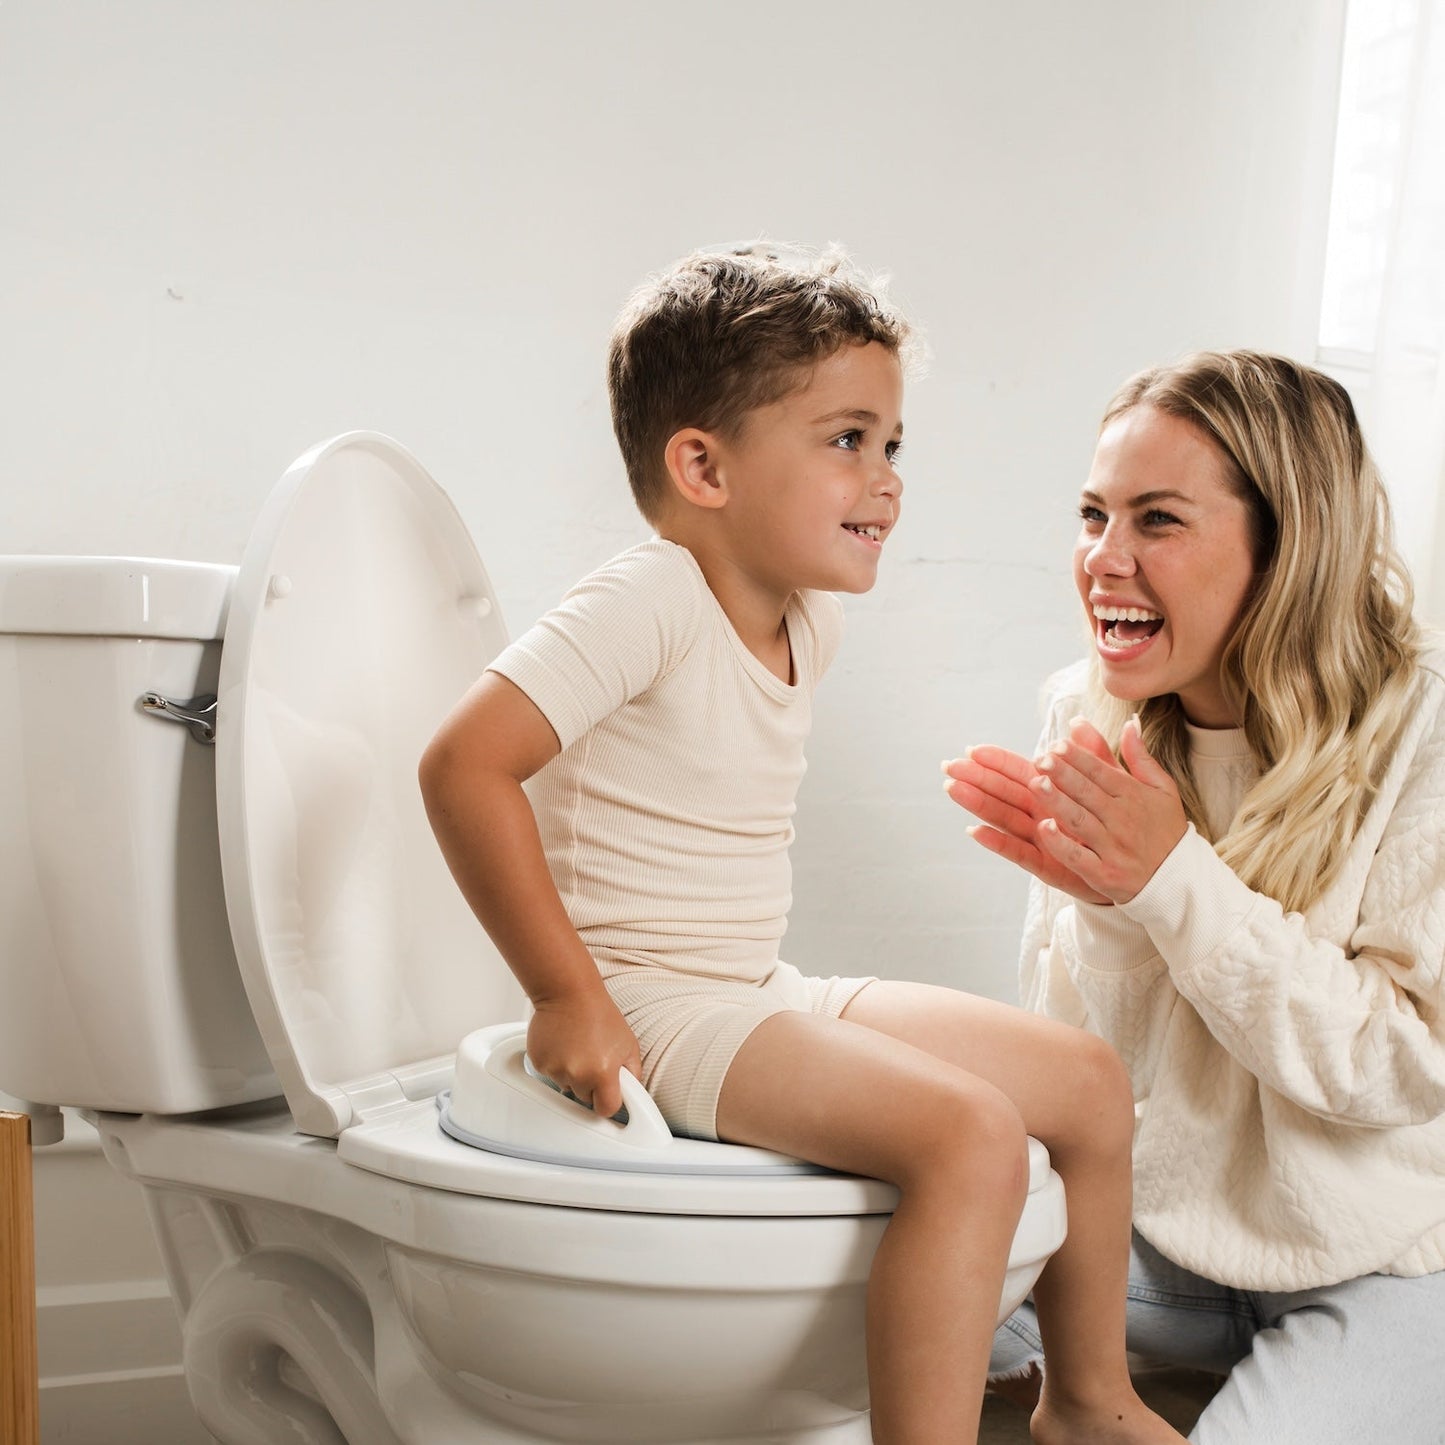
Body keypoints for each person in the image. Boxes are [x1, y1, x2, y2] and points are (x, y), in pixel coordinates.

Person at [420, 244, 1187, 1445]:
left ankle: (1084, 1399)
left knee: (1084, 1084)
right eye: (845, 439)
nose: (884, 478)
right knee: (969, 1135)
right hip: (650, 1004)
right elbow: (461, 763)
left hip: (751, 987)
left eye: (891, 444)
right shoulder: (649, 598)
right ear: (701, 464)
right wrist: (564, 995)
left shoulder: (803, 619)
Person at [945, 350, 1445, 1443]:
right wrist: (1109, 910)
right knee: (849, 1329)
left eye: (1155, 520)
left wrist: (1170, 882)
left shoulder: (1423, 740)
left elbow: (1408, 1062)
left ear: (1286, 546)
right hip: (1148, 1238)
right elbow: (1084, 1067)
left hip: (1383, 1261)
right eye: (1091, 514)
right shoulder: (1087, 714)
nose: (1101, 559)